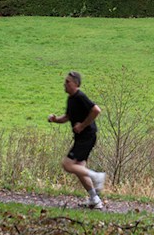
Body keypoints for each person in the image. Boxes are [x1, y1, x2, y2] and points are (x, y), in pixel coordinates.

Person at [48, 71, 107, 209]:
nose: (65, 84)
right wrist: (55, 120)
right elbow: (68, 117)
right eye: (65, 81)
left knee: (67, 165)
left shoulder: (80, 96)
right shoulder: (71, 99)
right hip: (83, 137)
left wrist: (82, 125)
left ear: (76, 84)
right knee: (79, 169)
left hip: (87, 136)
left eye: (68, 82)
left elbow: (96, 110)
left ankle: (97, 176)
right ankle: (95, 200)